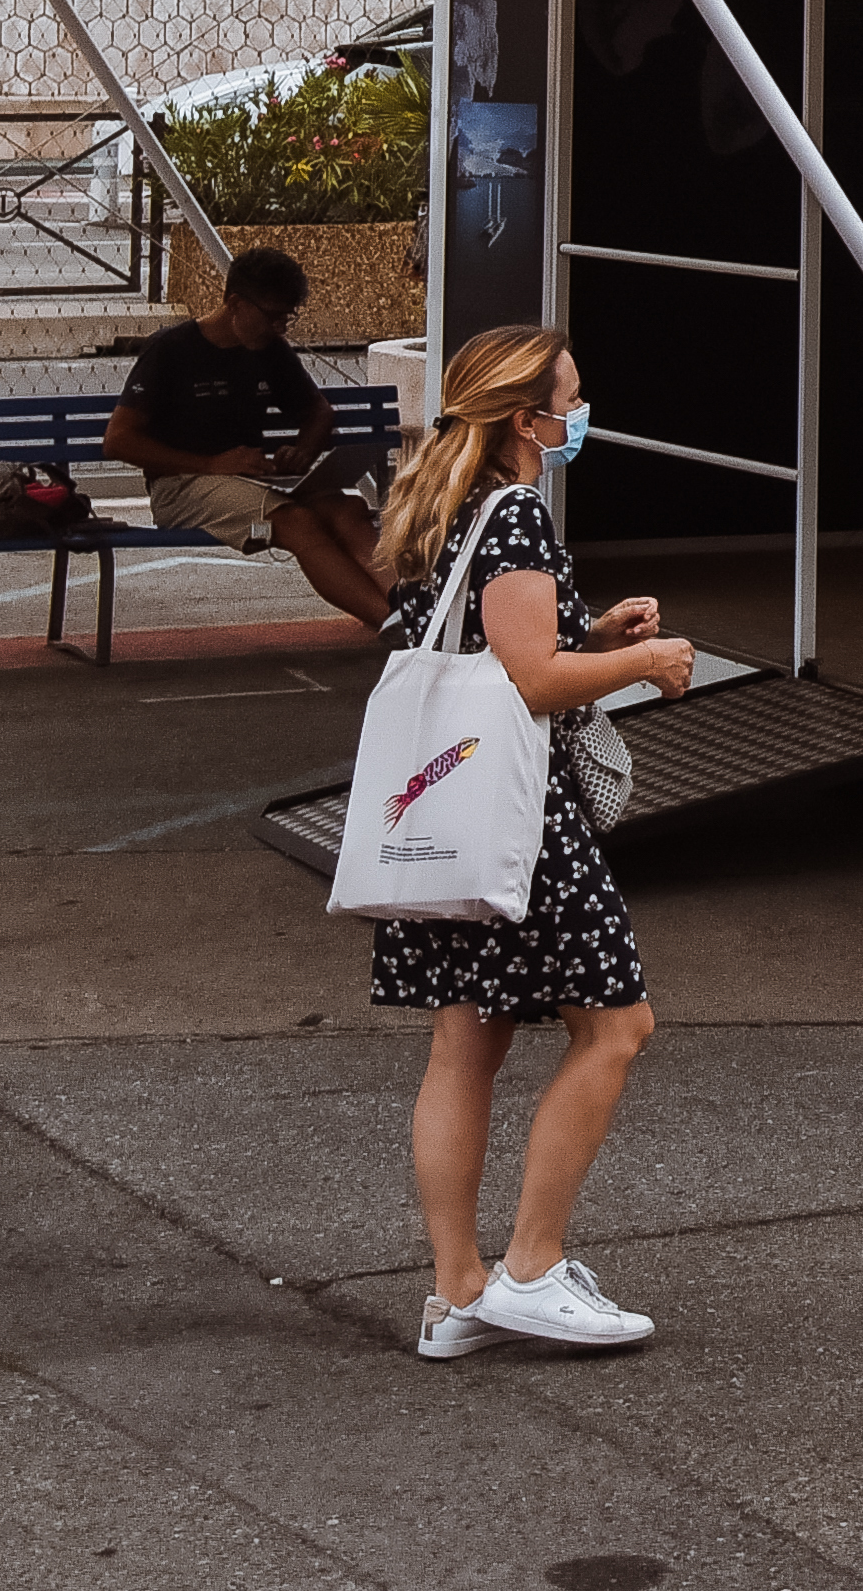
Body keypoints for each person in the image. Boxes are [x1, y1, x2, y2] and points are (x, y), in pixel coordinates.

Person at [365, 323, 703, 1361]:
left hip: (442, 814)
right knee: (615, 1026)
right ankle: (532, 1266)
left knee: (465, 1038)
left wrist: (588, 634)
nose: (579, 412)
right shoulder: (513, 511)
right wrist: (643, 659)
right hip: (520, 821)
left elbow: (481, 641)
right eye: (571, 396)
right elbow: (528, 679)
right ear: (526, 417)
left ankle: (457, 1288)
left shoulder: (434, 502)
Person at [109, 247, 397, 627]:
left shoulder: (268, 351)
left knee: (348, 511)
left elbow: (318, 411)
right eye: (273, 316)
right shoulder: (173, 349)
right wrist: (212, 465)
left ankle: (413, 609)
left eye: (287, 318)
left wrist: (302, 452)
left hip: (254, 483)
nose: (280, 328)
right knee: (298, 522)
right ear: (235, 304)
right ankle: (397, 627)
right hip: (183, 487)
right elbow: (119, 440)